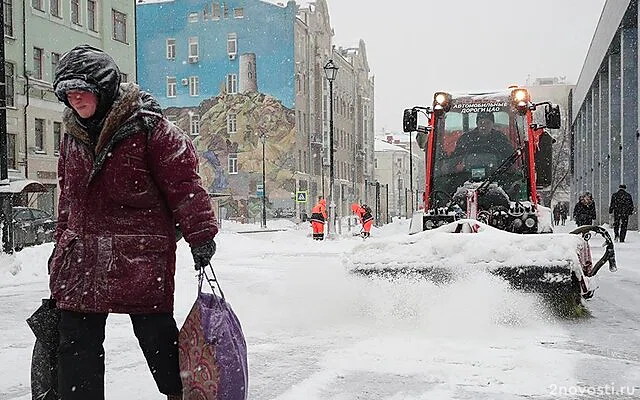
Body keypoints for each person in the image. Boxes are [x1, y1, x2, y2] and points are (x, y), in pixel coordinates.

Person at [49, 45, 218, 400]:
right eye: (67, 90)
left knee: (159, 343)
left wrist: (200, 234)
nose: (74, 97)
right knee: (75, 349)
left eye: (82, 88)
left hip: (138, 259)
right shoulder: (71, 135)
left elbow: (184, 185)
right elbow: (69, 200)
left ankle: (185, 395)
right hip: (81, 262)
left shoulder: (150, 128)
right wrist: (59, 251)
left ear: (105, 87)